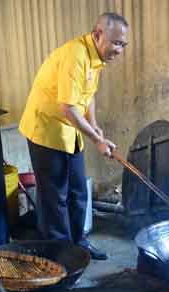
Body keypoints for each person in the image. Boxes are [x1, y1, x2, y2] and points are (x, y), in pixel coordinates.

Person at [19, 12, 129, 260]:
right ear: (98, 34)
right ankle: (61, 253)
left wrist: (95, 125)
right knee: (55, 195)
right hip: (45, 129)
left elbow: (87, 95)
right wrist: (97, 140)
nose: (119, 50)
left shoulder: (96, 57)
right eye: (116, 43)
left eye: (123, 44)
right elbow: (67, 107)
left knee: (78, 191)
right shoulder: (75, 56)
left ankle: (79, 243)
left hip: (70, 130)